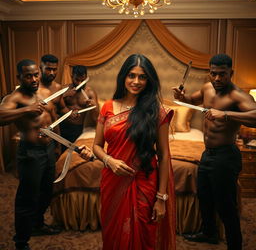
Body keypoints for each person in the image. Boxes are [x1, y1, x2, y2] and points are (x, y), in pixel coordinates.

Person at [80, 54, 176, 250]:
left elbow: (164, 156)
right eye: (131, 75)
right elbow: (97, 146)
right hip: (112, 181)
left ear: (149, 80)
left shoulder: (156, 112)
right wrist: (110, 161)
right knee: (113, 234)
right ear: (123, 77)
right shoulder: (107, 107)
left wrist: (161, 198)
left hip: (144, 183)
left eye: (142, 77)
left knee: (143, 235)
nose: (136, 81)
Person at [172, 54, 256, 250]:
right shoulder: (207, 87)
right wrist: (180, 97)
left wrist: (226, 114)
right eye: (213, 73)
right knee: (205, 197)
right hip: (207, 154)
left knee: (226, 205)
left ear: (230, 73)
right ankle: (209, 233)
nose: (217, 79)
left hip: (226, 156)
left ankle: (235, 245)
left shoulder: (237, 96)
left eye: (222, 74)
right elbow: (192, 99)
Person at [0, 59, 61, 250]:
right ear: (20, 77)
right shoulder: (15, 98)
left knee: (46, 191)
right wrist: (27, 109)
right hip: (30, 153)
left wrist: (58, 144)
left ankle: (38, 224)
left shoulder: (45, 92)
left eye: (36, 74)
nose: (34, 79)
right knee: (27, 196)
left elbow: (53, 117)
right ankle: (21, 241)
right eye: (28, 75)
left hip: (49, 149)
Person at [60, 65, 99, 151]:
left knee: (73, 153)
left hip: (77, 128)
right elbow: (54, 108)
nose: (79, 83)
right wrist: (65, 95)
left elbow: (96, 118)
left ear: (86, 78)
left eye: (83, 80)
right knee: (60, 153)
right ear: (71, 76)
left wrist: (93, 107)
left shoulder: (90, 93)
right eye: (77, 80)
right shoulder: (64, 89)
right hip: (62, 126)